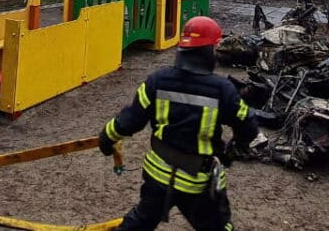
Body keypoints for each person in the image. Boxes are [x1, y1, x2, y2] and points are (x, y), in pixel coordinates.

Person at [99, 16, 257, 230]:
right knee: (217, 226)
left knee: (140, 221)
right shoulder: (222, 90)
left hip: (157, 175)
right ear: (209, 51)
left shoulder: (157, 80)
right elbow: (248, 126)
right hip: (197, 184)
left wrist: (107, 138)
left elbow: (130, 120)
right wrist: (233, 150)